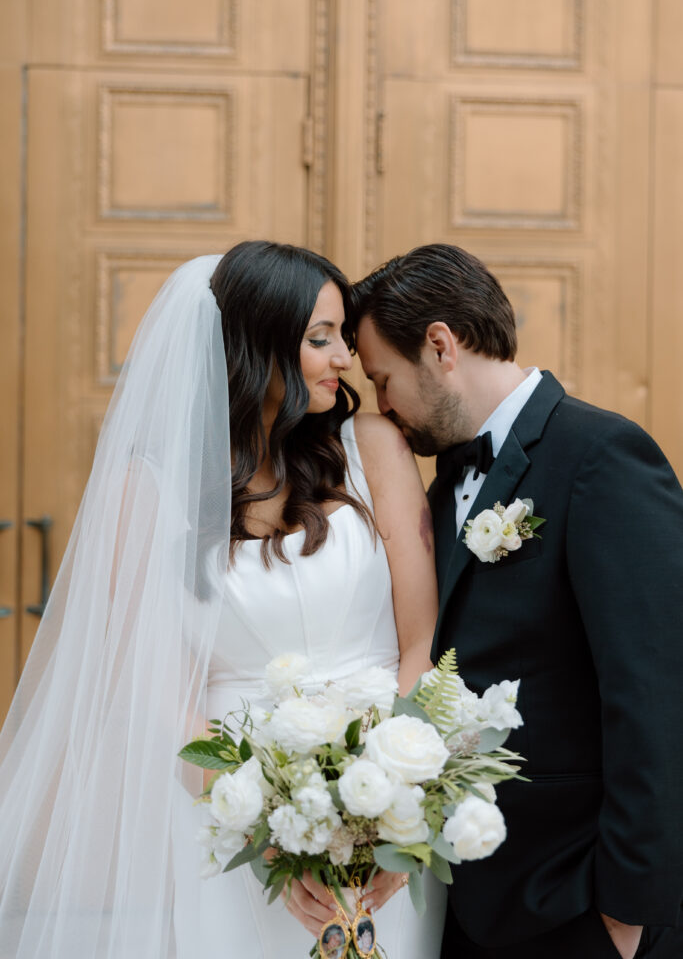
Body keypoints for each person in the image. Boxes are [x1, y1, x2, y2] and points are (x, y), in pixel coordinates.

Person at [0, 242, 445, 959]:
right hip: (236, 820)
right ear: (255, 343)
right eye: (319, 338)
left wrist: (393, 809)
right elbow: (155, 693)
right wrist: (272, 830)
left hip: (384, 810)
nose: (344, 359)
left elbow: (420, 645)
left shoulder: (371, 447)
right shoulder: (145, 491)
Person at [351, 242, 683, 959]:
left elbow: (655, 694)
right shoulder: (438, 488)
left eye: (382, 380)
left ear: (439, 345)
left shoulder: (601, 456)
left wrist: (626, 915)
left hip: (577, 904)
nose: (381, 408)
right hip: (465, 902)